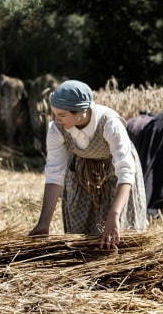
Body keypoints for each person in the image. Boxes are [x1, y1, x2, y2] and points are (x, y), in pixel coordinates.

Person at [30, 80, 148, 248]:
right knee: (83, 240)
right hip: (83, 173)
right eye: (55, 113)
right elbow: (55, 173)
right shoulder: (57, 129)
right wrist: (44, 223)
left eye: (62, 115)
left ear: (81, 112)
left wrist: (114, 215)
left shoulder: (109, 123)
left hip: (116, 173)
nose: (57, 119)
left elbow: (125, 171)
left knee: (119, 234)